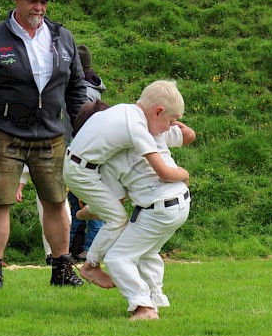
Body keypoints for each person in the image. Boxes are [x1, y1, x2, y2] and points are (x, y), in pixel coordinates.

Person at [0, 0, 88, 291]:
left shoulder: (63, 37)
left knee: (57, 201)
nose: (39, 7)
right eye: (32, 0)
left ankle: (62, 269)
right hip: (5, 133)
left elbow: (76, 89)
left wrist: (87, 133)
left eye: (44, 2)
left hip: (51, 133)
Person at [63, 80, 189, 288]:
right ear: (158, 111)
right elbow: (164, 172)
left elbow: (184, 135)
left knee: (115, 205)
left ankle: (89, 211)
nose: (168, 128)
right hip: (82, 173)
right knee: (118, 218)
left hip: (79, 165)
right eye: (170, 121)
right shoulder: (137, 127)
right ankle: (90, 266)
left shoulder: (123, 110)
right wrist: (184, 173)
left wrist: (179, 128)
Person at [101, 120, 195, 320]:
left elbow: (116, 202)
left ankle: (144, 306)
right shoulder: (150, 132)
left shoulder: (109, 159)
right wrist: (170, 120)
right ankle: (157, 296)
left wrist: (86, 211)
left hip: (157, 210)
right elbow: (189, 134)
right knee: (148, 250)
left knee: (116, 258)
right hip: (181, 202)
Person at [63, 44, 106, 261]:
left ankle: (89, 250)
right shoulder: (91, 88)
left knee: (91, 204)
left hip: (84, 155)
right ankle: (74, 247)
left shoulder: (84, 92)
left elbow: (83, 127)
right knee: (77, 203)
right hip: (80, 153)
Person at [17, 164, 71, 264]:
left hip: (60, 188)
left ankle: (64, 254)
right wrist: (20, 188)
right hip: (43, 187)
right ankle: (50, 254)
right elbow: (27, 170)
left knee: (67, 219)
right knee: (46, 220)